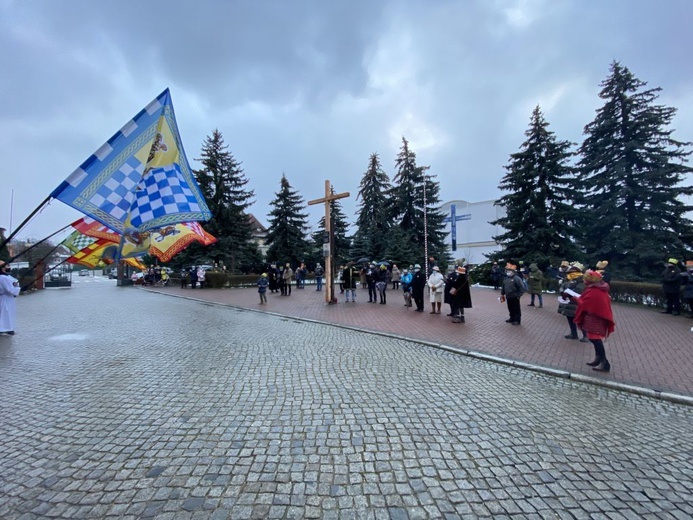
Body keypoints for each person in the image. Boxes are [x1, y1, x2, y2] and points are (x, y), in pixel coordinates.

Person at [574, 270, 615, 372]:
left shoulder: (595, 290)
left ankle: (604, 363)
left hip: (596, 317)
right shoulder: (596, 288)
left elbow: (586, 303)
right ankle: (598, 359)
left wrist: (575, 298)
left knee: (595, 338)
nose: (583, 280)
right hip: (594, 316)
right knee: (593, 338)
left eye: (585, 279)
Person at [558, 263, 588, 341]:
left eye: (574, 272)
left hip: (576, 302)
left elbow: (579, 290)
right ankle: (573, 334)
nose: (571, 273)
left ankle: (586, 335)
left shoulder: (581, 280)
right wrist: (562, 291)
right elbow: (562, 286)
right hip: (567, 302)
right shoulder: (567, 278)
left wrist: (568, 293)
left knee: (579, 319)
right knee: (570, 318)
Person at [0, 261, 20, 335]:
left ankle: (7, 327)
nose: (9, 267)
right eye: (7, 266)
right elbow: (9, 289)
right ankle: (5, 328)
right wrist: (17, 288)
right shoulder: (2, 277)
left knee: (7, 312)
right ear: (2, 268)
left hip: (7, 297)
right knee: (5, 312)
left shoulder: (5, 276)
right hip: (5, 298)